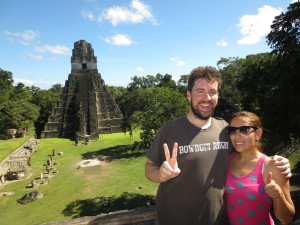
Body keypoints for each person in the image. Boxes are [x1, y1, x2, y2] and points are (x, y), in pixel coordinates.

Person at [144, 66, 291, 225]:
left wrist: (276, 162)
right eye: (200, 91)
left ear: (218, 96)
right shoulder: (169, 130)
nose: (206, 97)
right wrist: (160, 174)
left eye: (212, 92)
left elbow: (248, 154)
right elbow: (149, 167)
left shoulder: (225, 129)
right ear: (188, 95)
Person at [225, 111, 295, 225]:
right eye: (232, 131)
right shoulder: (227, 160)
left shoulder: (272, 166)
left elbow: (287, 219)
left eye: (245, 130)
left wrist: (279, 196)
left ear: (258, 134)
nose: (237, 136)